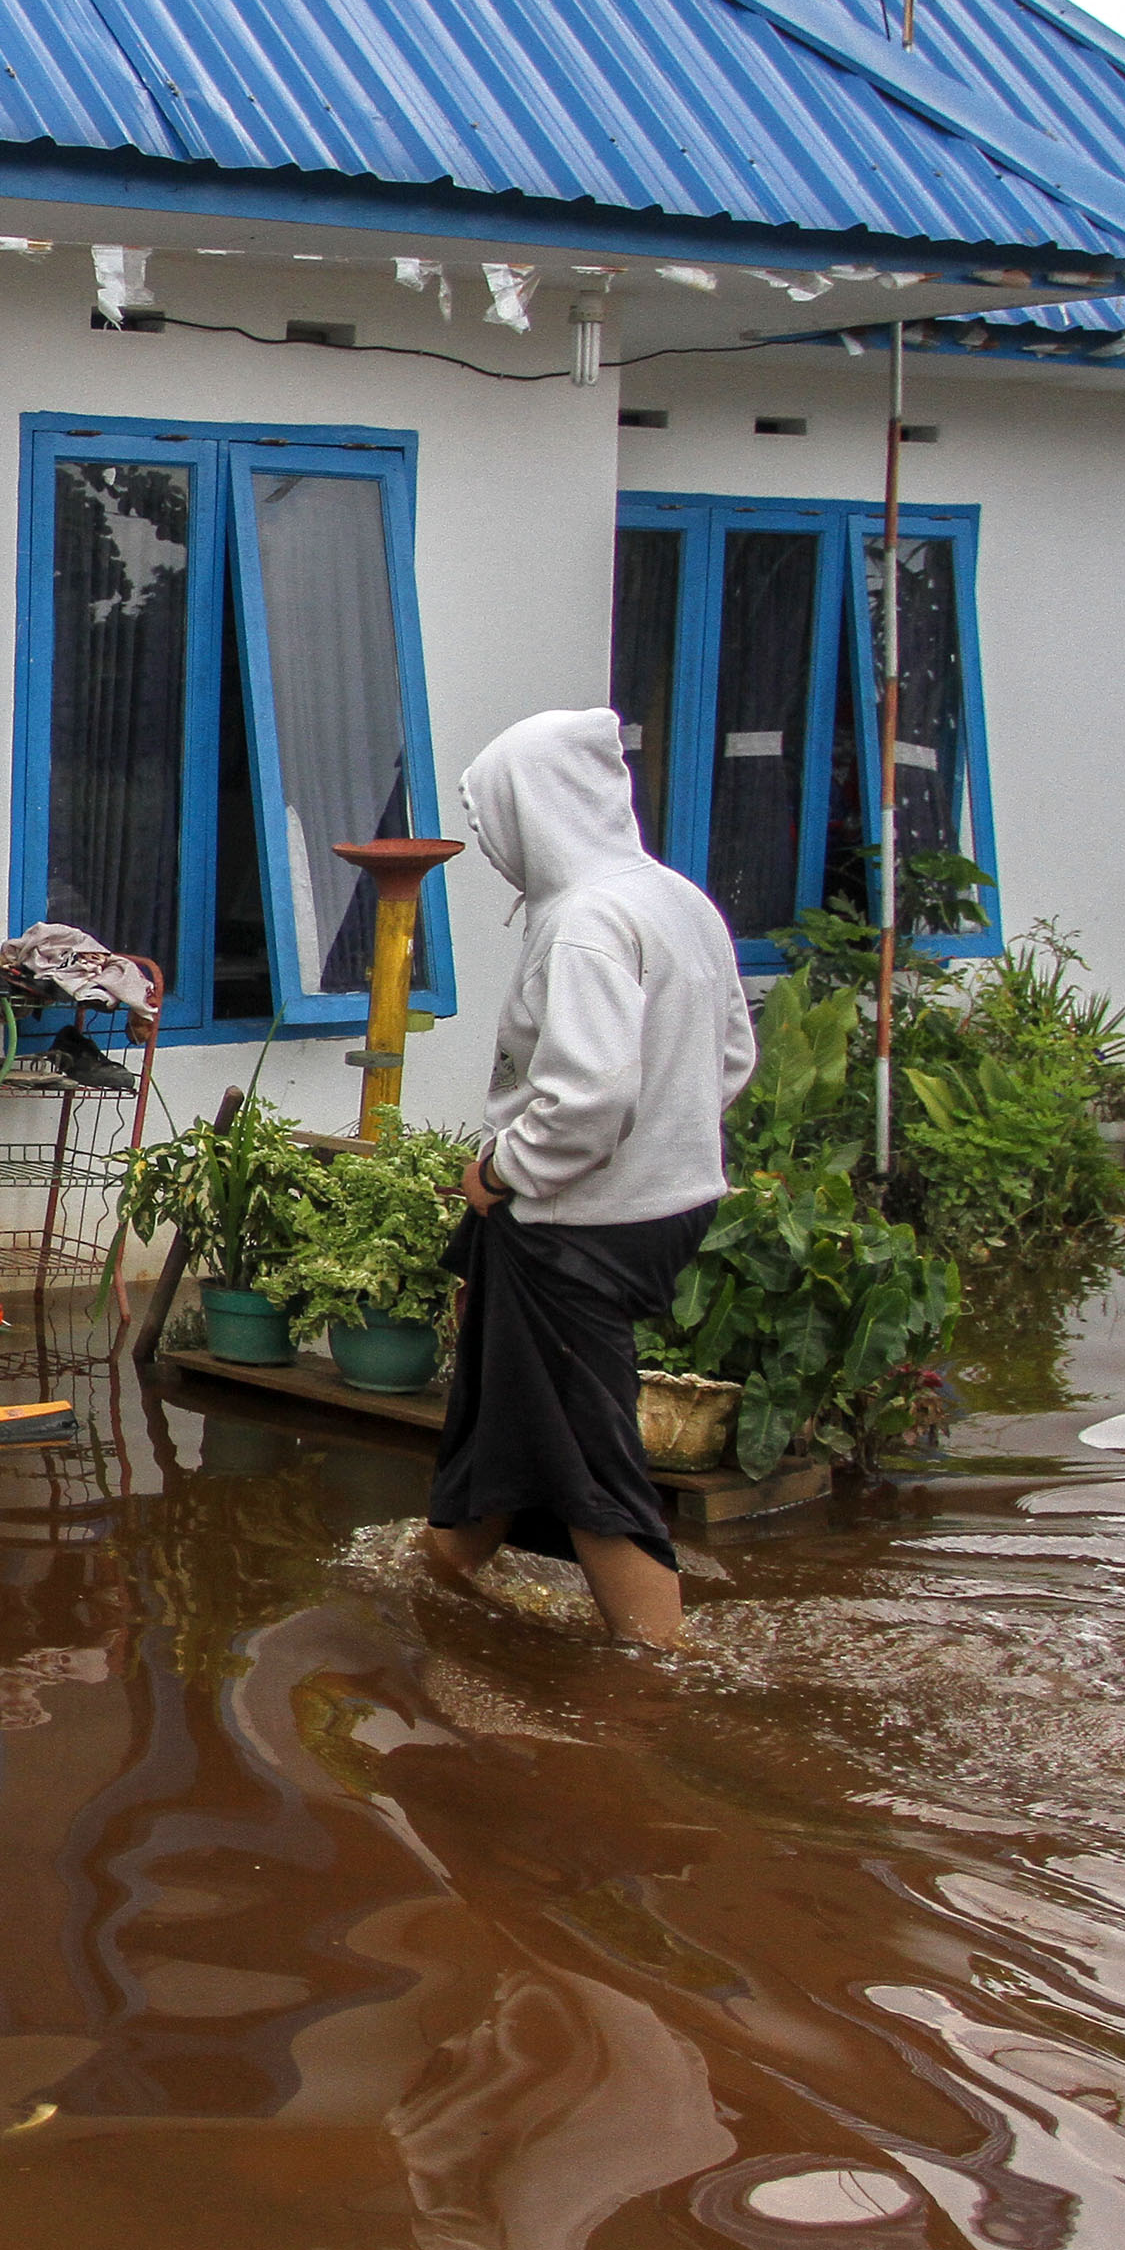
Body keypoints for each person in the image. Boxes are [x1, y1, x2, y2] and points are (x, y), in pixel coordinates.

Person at [421, 706, 755, 1649]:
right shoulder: (677, 901)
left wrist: (501, 1170)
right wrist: (664, 1149)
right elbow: (731, 1057)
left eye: (495, 820)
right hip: (662, 1210)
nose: (495, 847)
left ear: (532, 811)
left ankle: (657, 1671)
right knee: (504, 1414)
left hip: (576, 1226)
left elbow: (590, 1096)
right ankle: (433, 1579)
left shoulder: (584, 923)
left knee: (587, 1459)